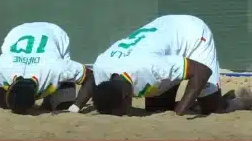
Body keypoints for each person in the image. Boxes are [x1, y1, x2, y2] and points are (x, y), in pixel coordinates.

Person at [88, 15, 228, 116]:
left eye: (122, 113)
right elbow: (90, 82)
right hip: (164, 32)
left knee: (211, 108)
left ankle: (240, 101)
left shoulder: (150, 68)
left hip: (192, 34)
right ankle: (191, 101)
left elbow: (202, 72)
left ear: (126, 97)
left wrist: (178, 114)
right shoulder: (101, 68)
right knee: (158, 109)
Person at [0, 22, 93, 114]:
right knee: (3, 105)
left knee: (60, 104)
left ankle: (49, 101)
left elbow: (90, 76)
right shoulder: (3, 66)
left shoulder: (56, 68)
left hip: (55, 33)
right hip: (18, 33)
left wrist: (76, 107)